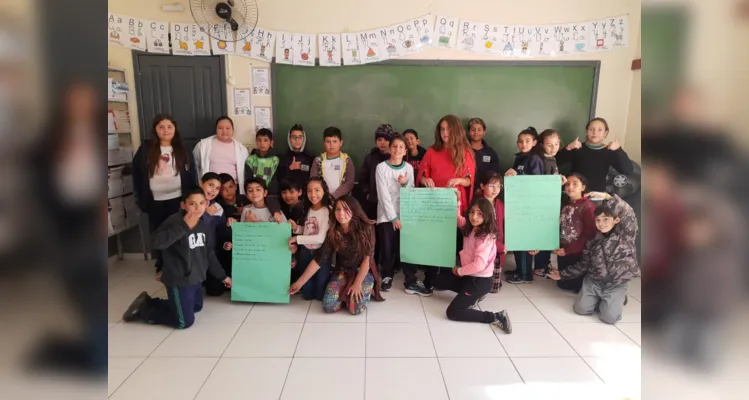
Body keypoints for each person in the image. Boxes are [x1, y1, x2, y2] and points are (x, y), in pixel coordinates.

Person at [122, 188, 233, 329]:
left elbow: (209, 254)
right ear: (183, 205)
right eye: (192, 204)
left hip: (196, 278)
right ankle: (144, 311)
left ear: (207, 204)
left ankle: (150, 302)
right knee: (184, 322)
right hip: (179, 279)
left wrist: (223, 277)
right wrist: (184, 226)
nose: (198, 207)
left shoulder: (203, 224)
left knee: (197, 307)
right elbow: (157, 242)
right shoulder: (174, 221)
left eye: (201, 203)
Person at [549, 191, 639, 324]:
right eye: (598, 220)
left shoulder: (626, 234)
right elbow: (584, 264)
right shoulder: (592, 240)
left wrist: (608, 197)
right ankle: (603, 300)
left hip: (616, 283)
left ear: (616, 220)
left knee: (609, 318)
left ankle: (616, 298)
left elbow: (628, 212)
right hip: (594, 281)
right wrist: (562, 274)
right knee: (581, 309)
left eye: (606, 219)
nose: (601, 224)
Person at [289, 195, 385, 315]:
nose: (341, 213)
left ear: (354, 209)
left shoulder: (366, 228)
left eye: (346, 209)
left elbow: (368, 258)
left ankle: (357, 290)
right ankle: (346, 293)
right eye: (338, 209)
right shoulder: (333, 232)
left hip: (364, 271)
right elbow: (320, 258)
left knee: (356, 309)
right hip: (343, 271)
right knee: (328, 306)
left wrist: (357, 283)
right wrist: (299, 283)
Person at [431, 197, 511, 332]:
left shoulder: (485, 237)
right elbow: (458, 219)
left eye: (480, 213)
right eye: (472, 212)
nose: (474, 217)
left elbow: (479, 264)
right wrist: (457, 201)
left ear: (487, 215)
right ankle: (472, 297)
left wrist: (460, 271)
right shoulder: (471, 227)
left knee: (453, 312)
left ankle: (495, 317)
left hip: (479, 281)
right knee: (435, 281)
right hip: (469, 276)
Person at [132, 114, 198, 272]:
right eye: (161, 127)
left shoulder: (183, 148)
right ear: (155, 129)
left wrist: (192, 197)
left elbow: (192, 172)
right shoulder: (146, 149)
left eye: (169, 127)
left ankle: (179, 262)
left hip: (178, 198)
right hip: (155, 200)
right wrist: (141, 200)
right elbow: (137, 174)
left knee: (178, 230)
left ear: (175, 129)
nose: (166, 130)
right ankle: (162, 263)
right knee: (159, 233)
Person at [504, 127, 546, 284]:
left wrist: (518, 175)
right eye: (520, 141)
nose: (523, 144)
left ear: (534, 142)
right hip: (519, 204)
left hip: (529, 206)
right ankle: (519, 270)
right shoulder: (520, 158)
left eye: (527, 141)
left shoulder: (534, 158)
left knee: (524, 241)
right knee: (517, 239)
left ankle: (525, 274)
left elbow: (536, 183)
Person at [375, 134, 414, 292]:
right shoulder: (381, 168)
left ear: (405, 151)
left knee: (404, 247)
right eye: (394, 146)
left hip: (404, 213)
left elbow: (410, 192)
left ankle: (410, 277)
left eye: (401, 147)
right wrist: (393, 218)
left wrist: (404, 184)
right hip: (386, 215)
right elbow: (383, 196)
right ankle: (387, 275)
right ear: (389, 149)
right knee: (387, 246)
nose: (397, 149)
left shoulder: (409, 168)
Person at [556, 117, 634, 193]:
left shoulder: (609, 151)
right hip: (575, 194)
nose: (595, 133)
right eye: (591, 129)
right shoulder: (577, 148)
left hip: (597, 196)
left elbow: (628, 170)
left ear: (605, 133)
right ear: (586, 132)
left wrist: (618, 150)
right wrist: (568, 148)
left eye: (600, 130)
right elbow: (555, 162)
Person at [529, 128, 567, 279]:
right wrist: (556, 182)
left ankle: (543, 265)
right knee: (542, 236)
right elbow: (539, 183)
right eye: (549, 144)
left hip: (550, 204)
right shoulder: (538, 159)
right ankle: (540, 267)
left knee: (547, 235)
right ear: (541, 144)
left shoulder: (551, 158)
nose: (554, 148)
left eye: (557, 144)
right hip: (541, 205)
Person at [288, 177, 333, 300]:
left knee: (320, 294)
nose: (313, 194)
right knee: (307, 294)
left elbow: (320, 238)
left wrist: (297, 239)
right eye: (309, 191)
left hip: (320, 254)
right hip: (305, 252)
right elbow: (307, 230)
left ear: (324, 191)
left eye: (317, 190)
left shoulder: (326, 211)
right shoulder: (306, 209)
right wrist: (297, 228)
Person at [552, 173, 596, 292]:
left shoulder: (587, 207)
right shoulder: (565, 204)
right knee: (563, 284)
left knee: (577, 287)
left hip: (578, 253)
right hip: (564, 250)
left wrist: (569, 250)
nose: (570, 187)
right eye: (567, 184)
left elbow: (590, 234)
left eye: (575, 184)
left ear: (583, 187)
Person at [192, 116, 250, 194]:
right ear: (216, 129)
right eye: (220, 128)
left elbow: (245, 171)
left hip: (232, 190)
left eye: (228, 128)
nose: (224, 131)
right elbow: (195, 166)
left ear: (232, 129)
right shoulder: (203, 145)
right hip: (211, 190)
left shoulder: (241, 149)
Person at [477, 171, 506, 293]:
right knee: (480, 276)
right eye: (491, 185)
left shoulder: (500, 204)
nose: (495, 189)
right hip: (483, 247)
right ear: (482, 186)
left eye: (499, 186)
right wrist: (498, 245)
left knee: (494, 288)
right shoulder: (477, 204)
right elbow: (480, 229)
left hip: (497, 248)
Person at [358, 124, 393, 220]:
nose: (382, 143)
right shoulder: (370, 158)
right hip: (373, 202)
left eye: (386, 140)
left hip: (390, 203)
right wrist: (367, 193)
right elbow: (363, 178)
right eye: (379, 140)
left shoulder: (395, 158)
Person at [310, 126, 356, 199]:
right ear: (324, 143)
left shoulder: (347, 160)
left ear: (341, 143)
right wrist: (325, 197)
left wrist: (334, 196)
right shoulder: (318, 161)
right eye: (328, 141)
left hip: (343, 200)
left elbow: (349, 183)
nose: (331, 145)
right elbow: (313, 181)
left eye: (335, 141)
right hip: (322, 199)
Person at [245, 128, 282, 213]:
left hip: (272, 196)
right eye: (259, 140)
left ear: (271, 143)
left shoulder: (276, 160)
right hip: (255, 196)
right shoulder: (250, 160)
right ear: (256, 142)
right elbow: (248, 180)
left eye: (265, 140)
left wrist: (266, 194)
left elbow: (276, 180)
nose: (262, 143)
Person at [467, 118, 501, 189]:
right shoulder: (463, 151)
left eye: (479, 130)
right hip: (467, 190)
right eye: (473, 130)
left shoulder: (490, 152)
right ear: (468, 132)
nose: (476, 132)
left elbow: (495, 175)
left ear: (484, 132)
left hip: (486, 191)